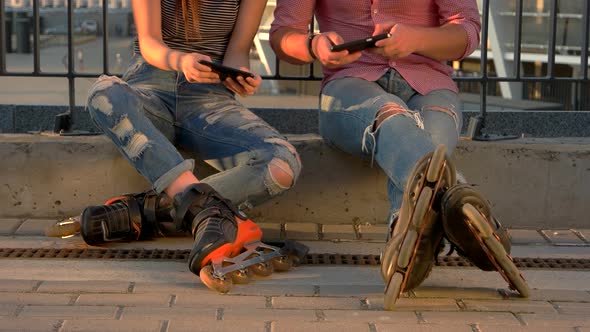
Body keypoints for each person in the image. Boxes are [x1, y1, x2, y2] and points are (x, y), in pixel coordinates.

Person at [270, 0, 528, 309]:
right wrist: (314, 45)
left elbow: (468, 31)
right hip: (349, 89)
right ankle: (457, 197)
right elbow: (283, 34)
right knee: (391, 118)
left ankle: (408, 237)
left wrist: (416, 39)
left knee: (428, 138)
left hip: (430, 88)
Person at [83, 0, 302, 292]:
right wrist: (181, 61)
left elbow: (238, 51)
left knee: (282, 163)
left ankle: (146, 211)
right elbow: (149, 44)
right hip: (151, 88)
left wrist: (239, 75)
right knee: (104, 94)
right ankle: (203, 209)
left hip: (210, 99)